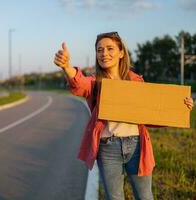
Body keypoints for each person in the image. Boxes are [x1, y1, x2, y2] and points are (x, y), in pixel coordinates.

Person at [53, 32, 194, 200]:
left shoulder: (135, 81)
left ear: (121, 53)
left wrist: (181, 107)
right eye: (100, 50)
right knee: (115, 197)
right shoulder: (95, 82)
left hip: (136, 145)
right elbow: (78, 83)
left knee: (145, 196)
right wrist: (67, 67)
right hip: (108, 147)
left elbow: (152, 111)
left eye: (110, 48)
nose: (104, 53)